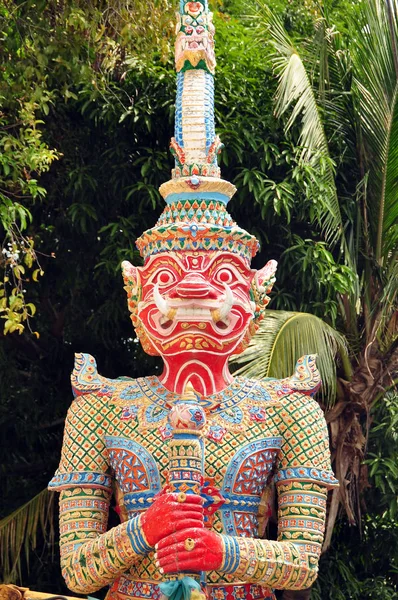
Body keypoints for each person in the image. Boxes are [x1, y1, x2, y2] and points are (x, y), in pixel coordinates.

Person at [48, 2, 338, 599]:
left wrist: (221, 549)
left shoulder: (290, 411)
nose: (194, 288)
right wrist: (148, 527)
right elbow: (76, 571)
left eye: (219, 271)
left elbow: (303, 561)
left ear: (256, 295)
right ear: (137, 295)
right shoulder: (101, 409)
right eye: (173, 272)